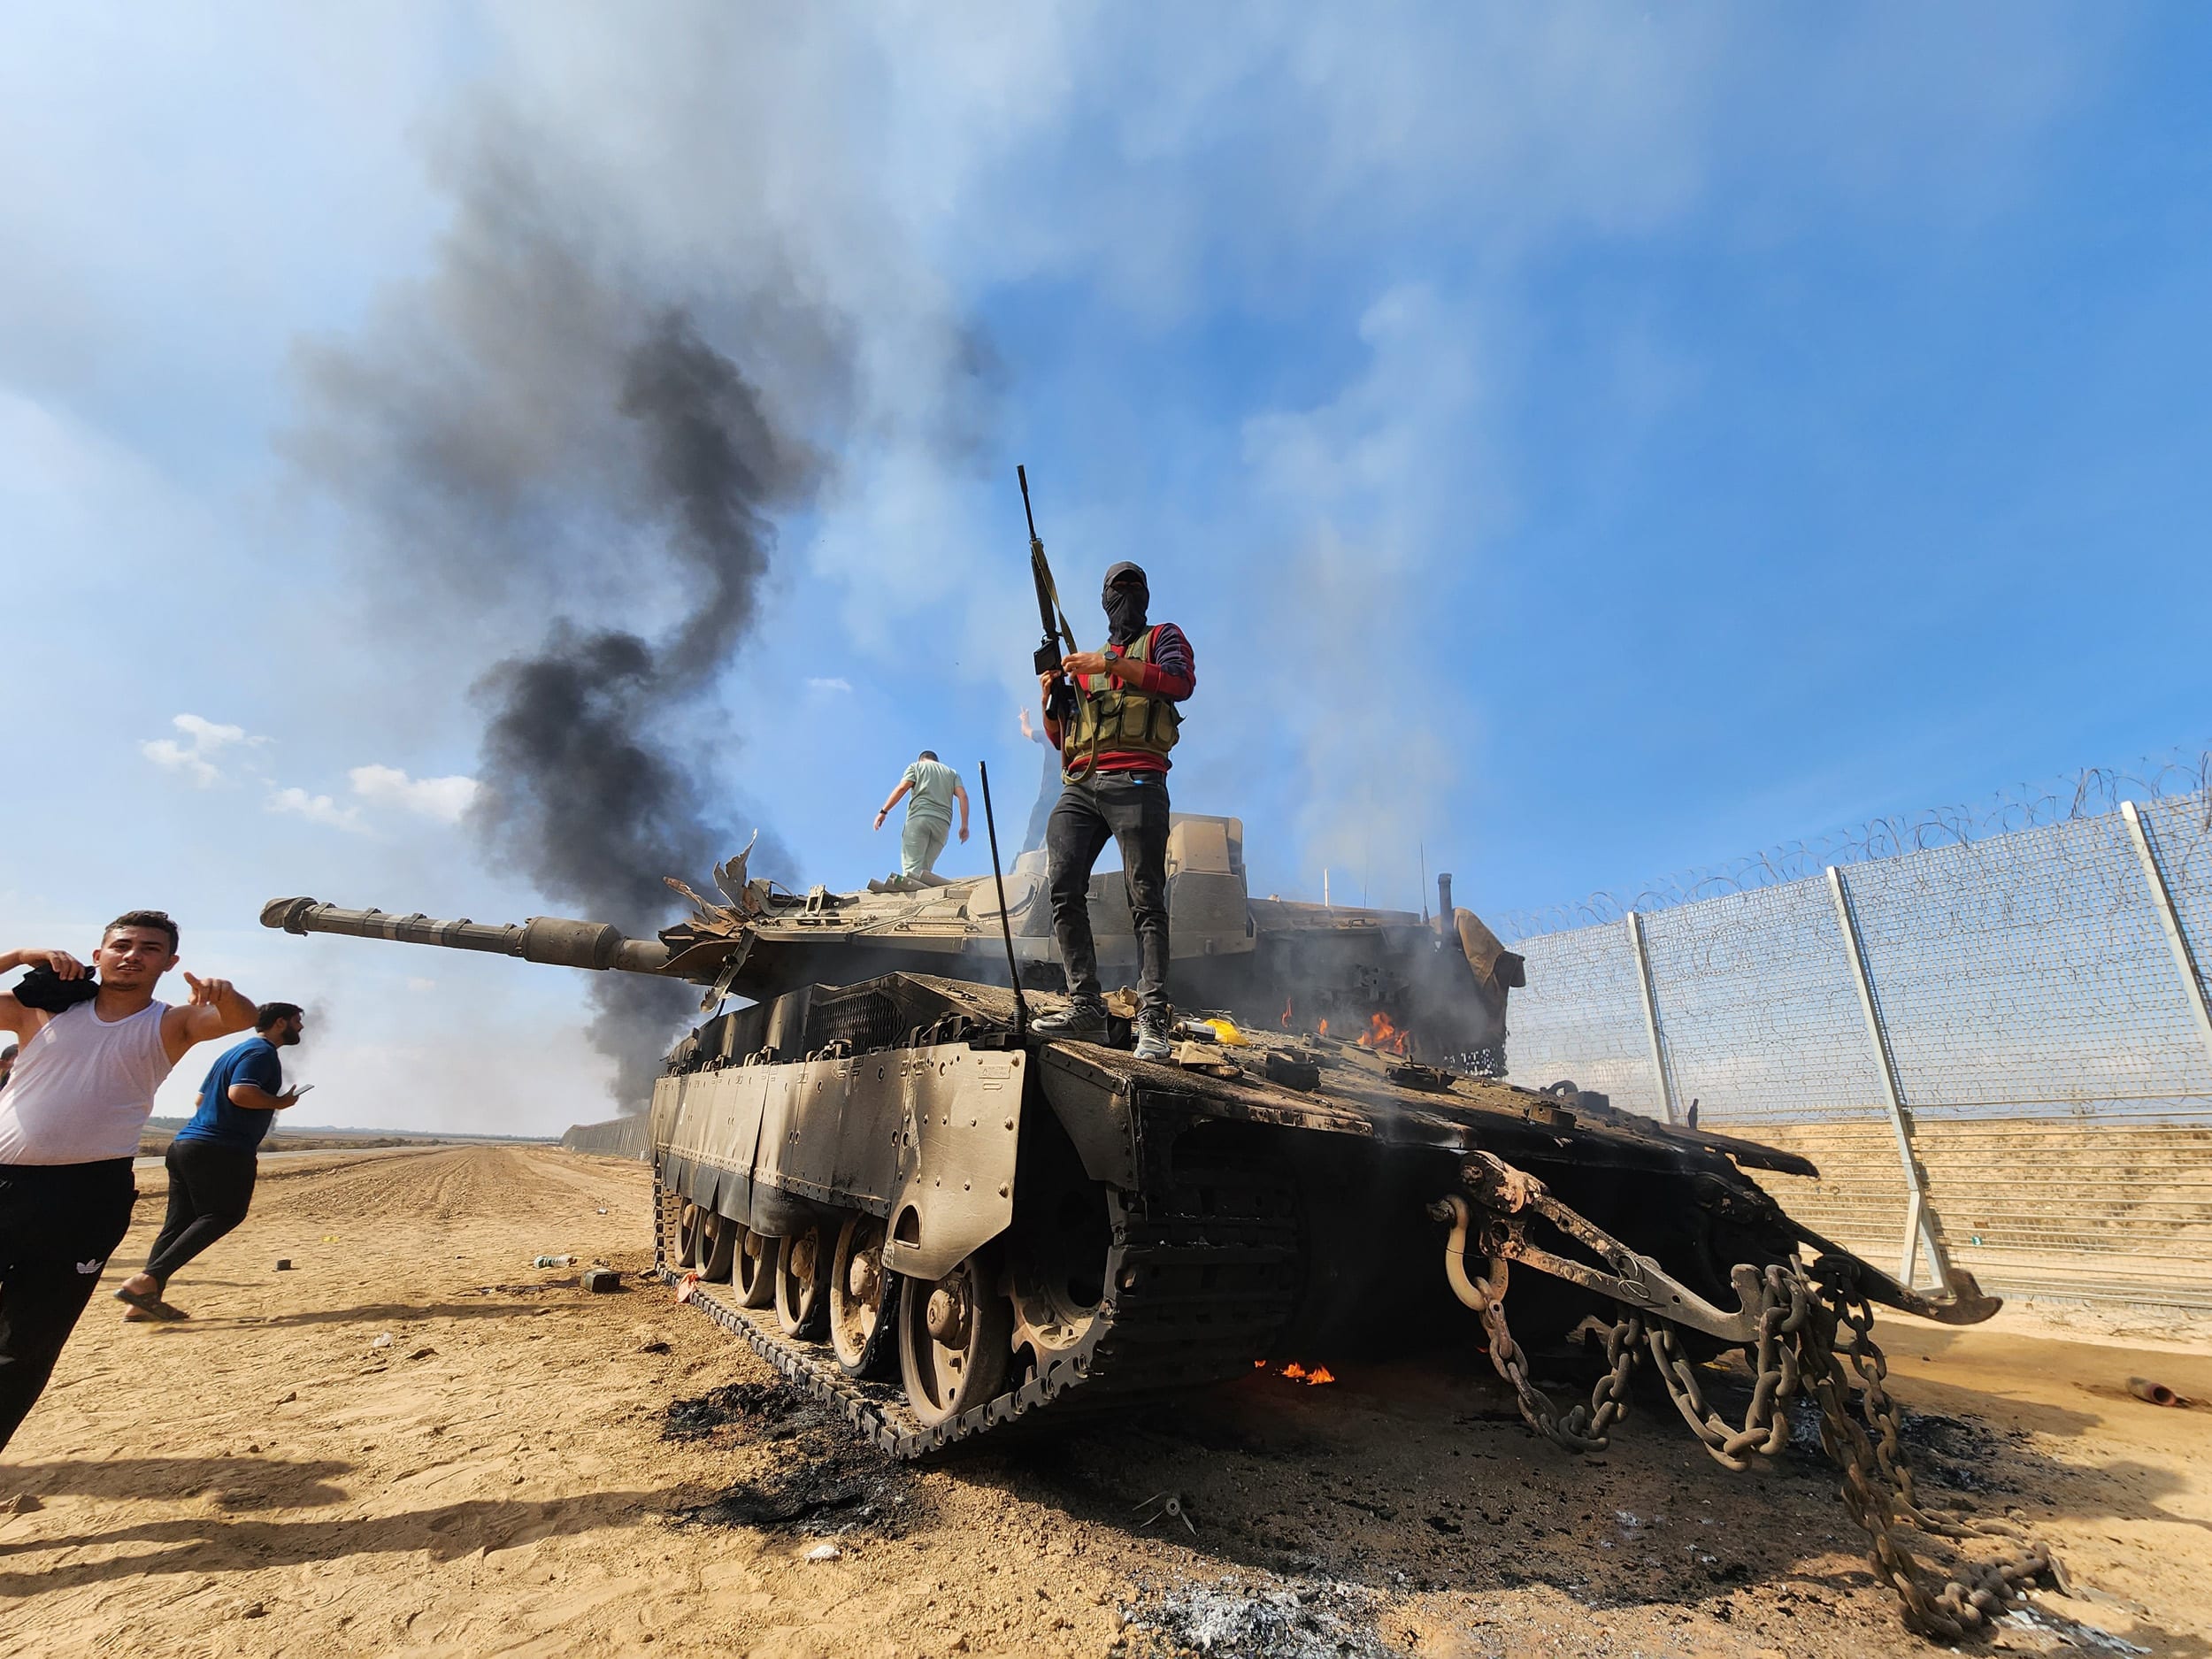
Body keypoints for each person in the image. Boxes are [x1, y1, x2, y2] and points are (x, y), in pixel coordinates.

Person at [0, 912, 257, 1452]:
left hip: (87, 1198)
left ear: (170, 963)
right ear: (98, 956)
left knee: (27, 1344)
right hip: (4, 1181)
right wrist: (23, 955)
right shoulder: (40, 1010)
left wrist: (225, 993)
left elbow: (238, 1018)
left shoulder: (172, 1023)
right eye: (121, 945)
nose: (132, 955)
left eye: (149, 948)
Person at [1031, 561, 1195, 1061]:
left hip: (1139, 780)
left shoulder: (1163, 637)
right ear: (1104, 599)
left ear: (1145, 595)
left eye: (1133, 587)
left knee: (1144, 894)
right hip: (1082, 786)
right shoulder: (1088, 662)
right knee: (1062, 885)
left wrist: (1110, 667)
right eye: (1116, 589)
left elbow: (1178, 682)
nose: (1124, 596)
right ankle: (1084, 1003)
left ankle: (1152, 1015)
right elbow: (1066, 738)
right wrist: (1049, 701)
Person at [112, 1002, 306, 1322]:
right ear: (280, 1022)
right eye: (298, 1022)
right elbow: (240, 1093)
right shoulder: (262, 1054)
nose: (301, 1028)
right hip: (222, 1147)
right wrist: (280, 1102)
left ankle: (143, 1300)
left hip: (187, 1144)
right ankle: (144, 1282)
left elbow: (201, 1099)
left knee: (179, 1223)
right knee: (225, 1213)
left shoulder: (232, 1052)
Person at [872, 750, 970, 882]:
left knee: (912, 870)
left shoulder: (916, 767)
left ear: (921, 760)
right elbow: (963, 796)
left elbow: (902, 788)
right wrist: (964, 825)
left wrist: (883, 811)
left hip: (920, 819)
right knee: (925, 871)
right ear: (936, 761)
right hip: (942, 825)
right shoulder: (952, 773)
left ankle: (909, 896)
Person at [1017, 706, 1058, 857]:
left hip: (1051, 796)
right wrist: (1025, 720)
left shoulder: (1050, 736)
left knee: (1035, 836)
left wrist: (1025, 720)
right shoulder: (1052, 736)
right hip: (1066, 796)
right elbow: (1027, 731)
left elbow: (1026, 731)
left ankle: (1027, 864)